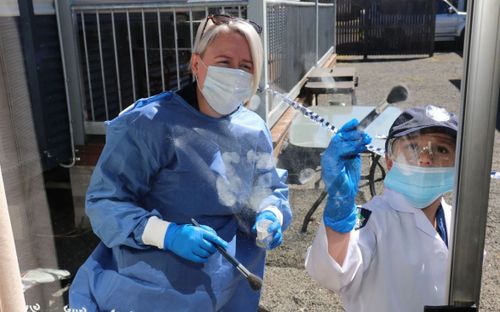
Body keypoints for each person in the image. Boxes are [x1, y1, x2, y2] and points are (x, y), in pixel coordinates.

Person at [69, 14, 292, 312]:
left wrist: (270, 214)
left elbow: (268, 187)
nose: (235, 73)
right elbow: (104, 202)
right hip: (150, 288)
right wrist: (166, 234)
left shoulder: (252, 128)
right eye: (224, 62)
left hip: (230, 286)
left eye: (246, 67)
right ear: (196, 64)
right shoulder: (148, 124)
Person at [305, 105, 458, 312]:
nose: (425, 159)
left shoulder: (457, 220)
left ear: (458, 164)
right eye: (412, 147)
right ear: (389, 161)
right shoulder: (374, 219)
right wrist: (339, 212)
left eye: (441, 149)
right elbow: (333, 273)